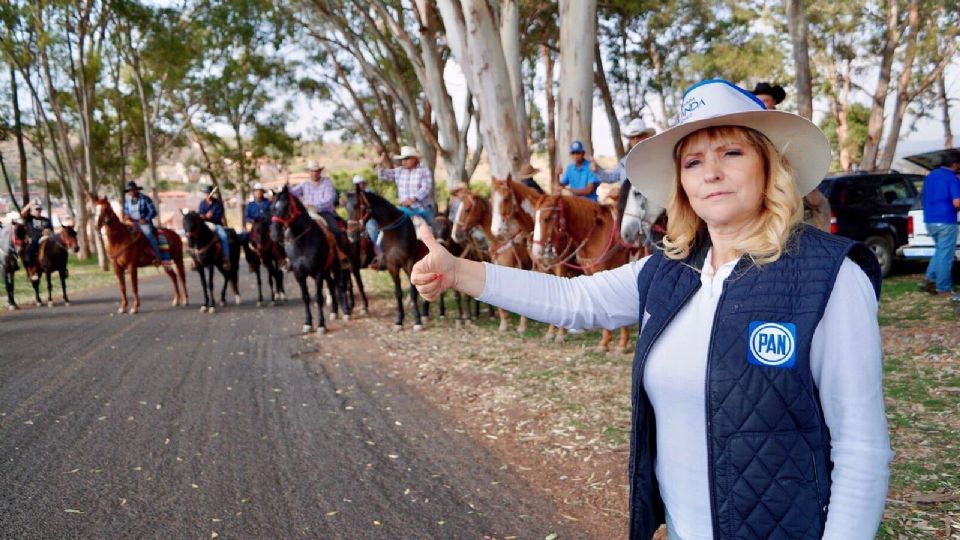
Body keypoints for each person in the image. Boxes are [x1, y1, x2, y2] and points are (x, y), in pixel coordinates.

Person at [411, 79, 892, 540]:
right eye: (693, 161)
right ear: (681, 183)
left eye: (732, 152)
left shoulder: (828, 276)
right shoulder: (667, 271)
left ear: (769, 165)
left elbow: (861, 448)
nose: (711, 173)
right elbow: (573, 300)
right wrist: (459, 273)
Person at [752, 81, 832, 232]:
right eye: (758, 101)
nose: (762, 104)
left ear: (774, 102)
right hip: (768, 178)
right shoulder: (753, 125)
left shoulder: (784, 123)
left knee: (820, 204)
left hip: (790, 174)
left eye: (765, 101)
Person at [919, 152, 960, 295]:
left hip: (929, 220)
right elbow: (957, 203)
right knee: (946, 256)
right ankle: (943, 288)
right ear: (955, 164)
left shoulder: (930, 176)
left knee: (940, 251)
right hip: (946, 220)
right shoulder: (952, 178)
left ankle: (928, 279)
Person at [378, 146, 436, 227]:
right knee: (394, 228)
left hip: (422, 208)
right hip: (405, 209)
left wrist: (413, 199)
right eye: (402, 159)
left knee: (433, 231)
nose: (404, 162)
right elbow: (384, 175)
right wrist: (380, 165)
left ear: (415, 159)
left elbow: (426, 188)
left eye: (407, 159)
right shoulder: (399, 171)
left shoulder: (424, 171)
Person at [290, 160, 344, 243]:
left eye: (316, 171)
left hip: (325, 212)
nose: (314, 173)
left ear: (320, 172)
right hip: (308, 213)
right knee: (292, 230)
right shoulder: (305, 184)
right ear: (309, 172)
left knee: (335, 230)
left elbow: (329, 200)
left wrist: (314, 206)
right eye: (312, 171)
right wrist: (286, 189)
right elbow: (292, 193)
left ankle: (339, 250)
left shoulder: (327, 182)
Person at [593, 118, 657, 185]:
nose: (635, 140)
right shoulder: (624, 162)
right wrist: (597, 170)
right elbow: (611, 177)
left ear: (646, 137)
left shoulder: (656, 158)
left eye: (639, 136)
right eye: (632, 137)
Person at [198, 184, 231, 270]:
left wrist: (212, 216)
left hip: (216, 225)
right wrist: (205, 216)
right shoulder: (202, 204)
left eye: (208, 193)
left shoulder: (217, 204)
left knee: (224, 237)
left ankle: (225, 258)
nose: (207, 195)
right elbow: (200, 215)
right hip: (205, 225)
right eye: (205, 193)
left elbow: (219, 215)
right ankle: (195, 259)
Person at [20, 199, 53, 274]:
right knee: (30, 249)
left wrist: (48, 232)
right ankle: (32, 269)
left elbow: (51, 230)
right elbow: (22, 213)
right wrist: (29, 204)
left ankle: (62, 267)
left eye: (39, 209)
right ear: (32, 210)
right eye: (36, 209)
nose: (38, 211)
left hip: (47, 237)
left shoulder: (46, 220)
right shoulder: (30, 218)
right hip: (35, 238)